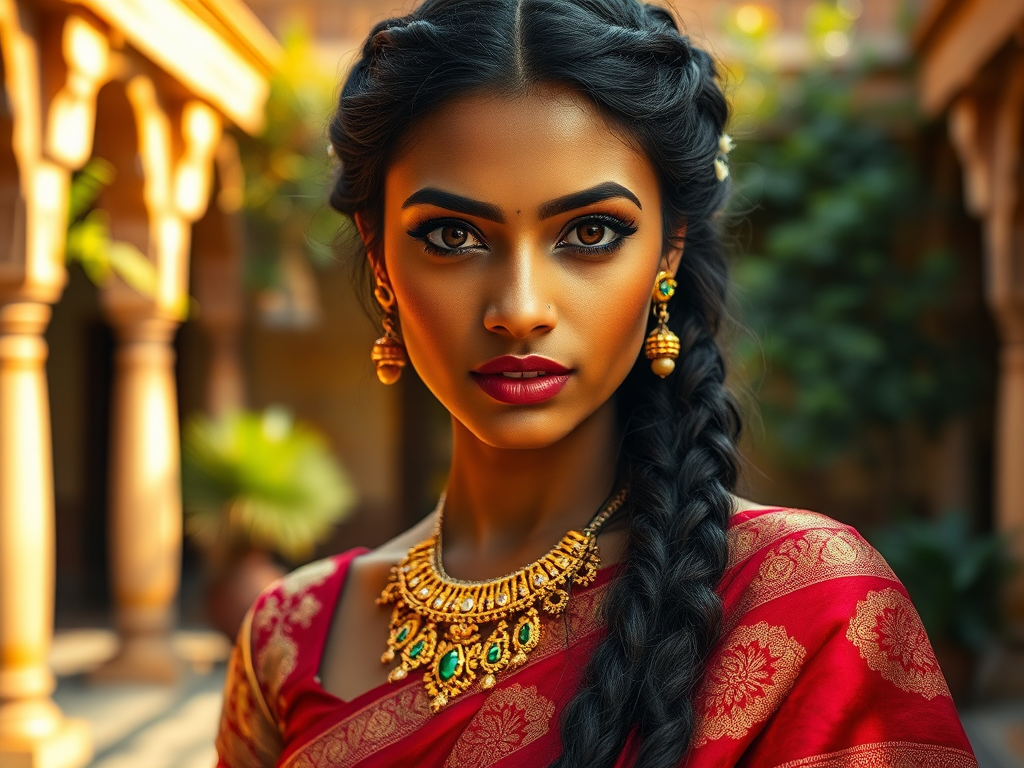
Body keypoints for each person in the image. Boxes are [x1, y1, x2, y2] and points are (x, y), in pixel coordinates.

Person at [214, 0, 979, 765]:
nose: (519, 310)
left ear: (668, 253)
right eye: (453, 236)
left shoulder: (808, 606)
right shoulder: (289, 635)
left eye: (589, 233)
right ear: (380, 260)